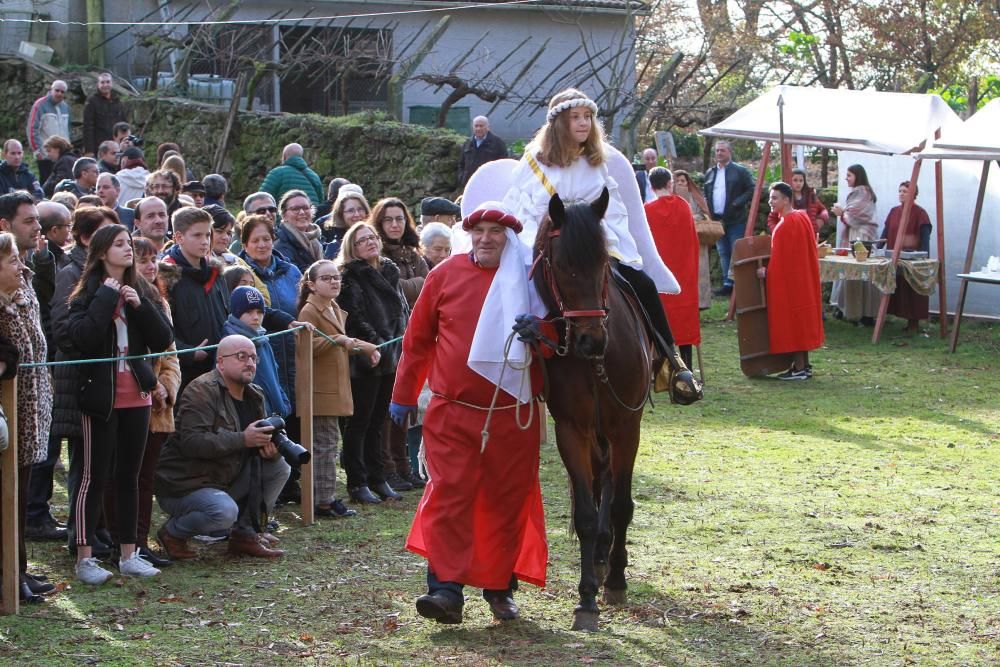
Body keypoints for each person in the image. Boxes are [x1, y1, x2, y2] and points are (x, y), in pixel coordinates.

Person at [389, 205, 548, 624]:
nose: (485, 238)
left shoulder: (530, 281)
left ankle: (499, 589)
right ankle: (444, 590)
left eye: (495, 231)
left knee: (505, 500)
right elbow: (418, 339)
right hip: (452, 412)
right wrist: (404, 394)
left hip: (512, 417)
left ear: (509, 238)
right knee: (449, 494)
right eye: (478, 230)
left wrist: (543, 337)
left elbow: (558, 346)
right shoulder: (443, 275)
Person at [501, 88, 700, 402]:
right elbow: (521, 210)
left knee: (643, 284)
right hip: (550, 249)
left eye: (587, 117)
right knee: (520, 295)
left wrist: (597, 238)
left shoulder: (596, 161)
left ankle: (672, 363)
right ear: (558, 123)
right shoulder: (533, 162)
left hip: (595, 245)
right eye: (575, 117)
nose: (583, 124)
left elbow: (614, 209)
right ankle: (515, 363)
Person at [66, 224, 174, 584]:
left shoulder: (141, 291)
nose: (128, 249)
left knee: (129, 475)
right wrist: (105, 300)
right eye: (119, 244)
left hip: (138, 396)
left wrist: (139, 306)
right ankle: (84, 557)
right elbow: (81, 339)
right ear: (100, 253)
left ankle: (129, 553)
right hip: (101, 398)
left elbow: (162, 339)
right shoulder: (87, 294)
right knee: (94, 477)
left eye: (129, 242)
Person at [154, 334, 290, 560]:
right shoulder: (201, 391)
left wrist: (270, 450)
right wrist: (243, 439)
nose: (250, 363)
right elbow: (192, 443)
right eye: (241, 356)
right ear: (221, 362)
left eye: (254, 358)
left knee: (279, 467)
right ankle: (172, 533)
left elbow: (255, 443)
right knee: (224, 511)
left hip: (225, 479)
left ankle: (245, 535)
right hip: (184, 485)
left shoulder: (255, 394)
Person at [102, 237, 179, 568]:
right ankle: (118, 540)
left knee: (144, 477)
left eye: (152, 260)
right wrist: (150, 382)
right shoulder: (114, 298)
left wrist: (165, 385)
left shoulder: (158, 303)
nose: (148, 266)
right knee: (116, 475)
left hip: (157, 404)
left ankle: (140, 541)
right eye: (142, 260)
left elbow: (171, 354)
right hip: (126, 397)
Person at [51, 206, 118, 558]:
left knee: (103, 461)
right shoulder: (70, 273)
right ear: (86, 237)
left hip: (107, 380)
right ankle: (80, 535)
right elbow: (64, 331)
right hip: (78, 378)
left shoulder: (114, 273)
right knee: (83, 462)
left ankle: (100, 529)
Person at [296, 259, 379, 518]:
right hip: (319, 390)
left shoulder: (332, 307)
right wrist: (341, 341)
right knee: (324, 444)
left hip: (334, 386)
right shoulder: (309, 312)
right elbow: (308, 347)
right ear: (311, 284)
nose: (334, 282)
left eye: (336, 277)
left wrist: (365, 347)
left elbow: (339, 343)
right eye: (326, 278)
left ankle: (327, 497)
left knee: (329, 443)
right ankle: (323, 501)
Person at [0, 231, 55, 603]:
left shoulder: (22, 296)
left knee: (19, 493)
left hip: (33, 407)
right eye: (11, 261)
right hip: (9, 411)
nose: (21, 267)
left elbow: (40, 285)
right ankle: (7, 573)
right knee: (7, 495)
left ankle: (18, 568)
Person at [335, 222, 406, 504]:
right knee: (359, 421)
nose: (370, 242)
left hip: (392, 354)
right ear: (352, 247)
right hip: (367, 356)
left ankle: (378, 477)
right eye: (362, 240)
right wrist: (374, 342)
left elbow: (401, 307)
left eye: (372, 237)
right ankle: (357, 481)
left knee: (379, 419)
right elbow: (353, 316)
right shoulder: (349, 276)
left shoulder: (390, 270)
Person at [158, 206, 231, 393]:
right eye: (197, 236)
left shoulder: (216, 273)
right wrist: (187, 353)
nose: (205, 241)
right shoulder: (166, 276)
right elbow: (161, 327)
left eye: (207, 235)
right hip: (187, 373)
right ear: (179, 237)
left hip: (221, 365)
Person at [758, 183, 823, 380]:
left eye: (775, 197)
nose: (771, 201)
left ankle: (799, 368)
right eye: (770, 197)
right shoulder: (801, 217)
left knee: (793, 323)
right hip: (803, 280)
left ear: (786, 200)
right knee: (801, 322)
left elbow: (780, 260)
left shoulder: (785, 225)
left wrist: (766, 272)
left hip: (792, 284)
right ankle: (804, 366)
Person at [645, 168, 700, 369]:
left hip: (659, 278)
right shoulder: (684, 207)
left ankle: (660, 368)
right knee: (684, 320)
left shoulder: (647, 211)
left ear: (651, 187)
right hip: (683, 273)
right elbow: (692, 241)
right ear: (670, 184)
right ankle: (687, 364)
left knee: (658, 317)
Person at [222, 286, 290, 418]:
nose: (255, 317)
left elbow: (275, 377)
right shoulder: (229, 344)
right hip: (251, 420)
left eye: (259, 312)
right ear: (236, 313)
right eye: (248, 312)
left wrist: (283, 404)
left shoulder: (263, 340)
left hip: (275, 417)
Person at [703, 140, 755, 296]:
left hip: (735, 218)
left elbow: (752, 188)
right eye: (717, 151)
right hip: (717, 219)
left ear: (729, 152)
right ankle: (727, 283)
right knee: (723, 251)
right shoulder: (710, 172)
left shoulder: (740, 171)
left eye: (722, 151)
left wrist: (737, 203)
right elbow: (706, 192)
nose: (719, 153)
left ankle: (738, 282)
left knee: (736, 251)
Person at [881, 180, 932, 334]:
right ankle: (896, 317)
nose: (901, 194)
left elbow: (925, 238)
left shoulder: (920, 213)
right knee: (897, 287)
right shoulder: (894, 211)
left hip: (912, 259)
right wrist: (875, 248)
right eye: (900, 191)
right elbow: (885, 232)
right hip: (894, 257)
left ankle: (913, 322)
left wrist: (923, 257)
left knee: (912, 289)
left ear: (913, 194)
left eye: (905, 191)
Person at [831, 164, 879, 324]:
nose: (846, 178)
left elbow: (857, 216)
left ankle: (865, 313)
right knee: (853, 272)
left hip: (861, 237)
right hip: (856, 235)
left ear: (857, 176)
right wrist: (844, 212)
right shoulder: (858, 193)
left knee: (861, 273)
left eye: (849, 175)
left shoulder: (863, 192)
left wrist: (841, 212)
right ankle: (852, 310)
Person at [673, 169, 713, 310]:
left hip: (697, 237)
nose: (680, 183)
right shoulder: (672, 199)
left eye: (683, 181)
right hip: (679, 240)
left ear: (688, 183)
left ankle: (702, 302)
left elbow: (704, 214)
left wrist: (691, 217)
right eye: (677, 181)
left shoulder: (695, 197)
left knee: (700, 270)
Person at [27, 80, 70, 183]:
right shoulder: (40, 105)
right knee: (47, 183)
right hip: (46, 154)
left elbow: (68, 130)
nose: (59, 93)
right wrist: (37, 151)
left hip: (62, 154)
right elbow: (32, 129)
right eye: (57, 90)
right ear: (51, 90)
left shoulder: (65, 107)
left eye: (62, 92)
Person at [767, 168, 828, 234]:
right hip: (791, 235)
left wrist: (820, 221)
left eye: (801, 181)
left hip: (809, 233)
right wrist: (778, 231)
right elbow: (772, 219)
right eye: (795, 180)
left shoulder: (810, 196)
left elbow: (823, 210)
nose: (798, 183)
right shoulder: (784, 198)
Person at [274, 189, 323, 272]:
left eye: (305, 208)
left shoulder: (318, 239)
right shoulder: (281, 245)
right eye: (295, 209)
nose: (302, 212)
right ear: (284, 215)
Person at [83, 71, 127, 157]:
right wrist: (89, 150)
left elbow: (123, 124)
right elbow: (88, 127)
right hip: (99, 147)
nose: (105, 85)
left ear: (112, 83)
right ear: (98, 84)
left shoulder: (117, 101)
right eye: (102, 82)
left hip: (116, 146)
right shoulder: (92, 101)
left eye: (108, 82)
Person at [458, 116, 507, 187]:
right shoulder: (467, 143)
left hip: (489, 184)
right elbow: (461, 163)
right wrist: (462, 178)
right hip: (470, 184)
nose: (478, 128)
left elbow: (503, 164)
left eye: (481, 126)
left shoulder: (498, 143)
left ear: (488, 127)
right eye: (476, 126)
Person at [321, 189, 370, 259]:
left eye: (360, 209)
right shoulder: (334, 249)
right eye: (350, 211)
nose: (357, 214)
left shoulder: (375, 240)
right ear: (341, 215)